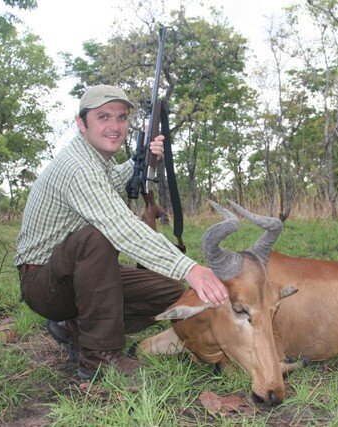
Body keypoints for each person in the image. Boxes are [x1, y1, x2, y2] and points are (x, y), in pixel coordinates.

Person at [15, 84, 229, 380]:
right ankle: (98, 356)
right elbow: (121, 227)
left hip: (72, 274)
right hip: (45, 285)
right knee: (100, 235)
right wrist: (189, 268)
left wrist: (140, 159)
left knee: (171, 294)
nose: (115, 126)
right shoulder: (78, 167)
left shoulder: (95, 158)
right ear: (81, 123)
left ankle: (75, 326)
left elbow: (113, 179)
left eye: (122, 117)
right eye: (103, 117)